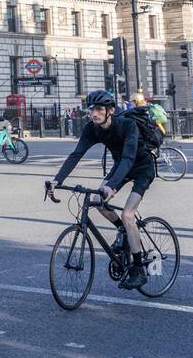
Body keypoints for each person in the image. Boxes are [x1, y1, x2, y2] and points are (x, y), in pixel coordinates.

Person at [47, 89, 152, 290]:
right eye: (91, 109)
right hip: (120, 167)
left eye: (98, 109)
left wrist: (112, 185)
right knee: (100, 202)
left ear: (110, 110)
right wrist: (57, 181)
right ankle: (123, 231)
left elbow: (129, 158)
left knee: (128, 215)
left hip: (141, 168)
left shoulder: (127, 125)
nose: (93, 113)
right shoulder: (92, 129)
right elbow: (75, 155)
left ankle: (138, 269)